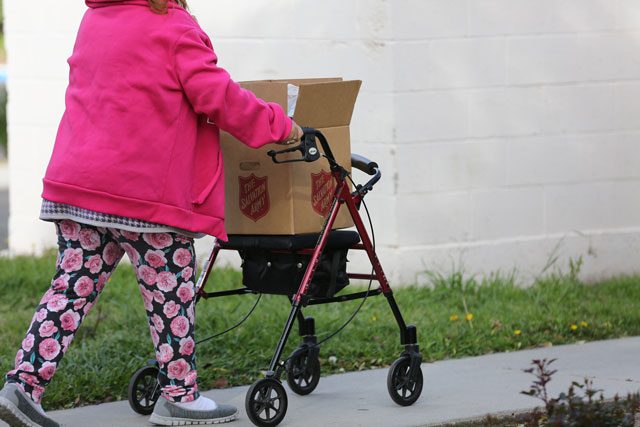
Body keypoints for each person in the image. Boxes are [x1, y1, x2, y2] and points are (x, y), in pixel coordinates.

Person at [0, 0, 304, 426]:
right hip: (145, 194)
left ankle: (23, 385)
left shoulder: (94, 19)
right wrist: (279, 124)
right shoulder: (174, 27)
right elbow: (218, 97)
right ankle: (179, 395)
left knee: (70, 289)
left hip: (80, 184)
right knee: (170, 294)